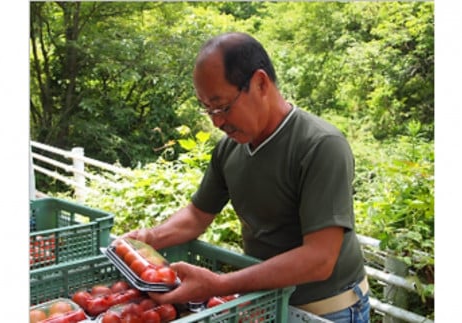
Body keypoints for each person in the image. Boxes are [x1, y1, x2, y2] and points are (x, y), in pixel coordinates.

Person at [123, 32, 370, 322]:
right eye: (208, 109)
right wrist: (148, 239)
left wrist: (221, 284)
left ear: (260, 83)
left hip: (327, 310)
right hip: (267, 301)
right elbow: (196, 215)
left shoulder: (320, 146)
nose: (217, 121)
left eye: (223, 106)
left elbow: (319, 259)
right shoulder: (230, 149)